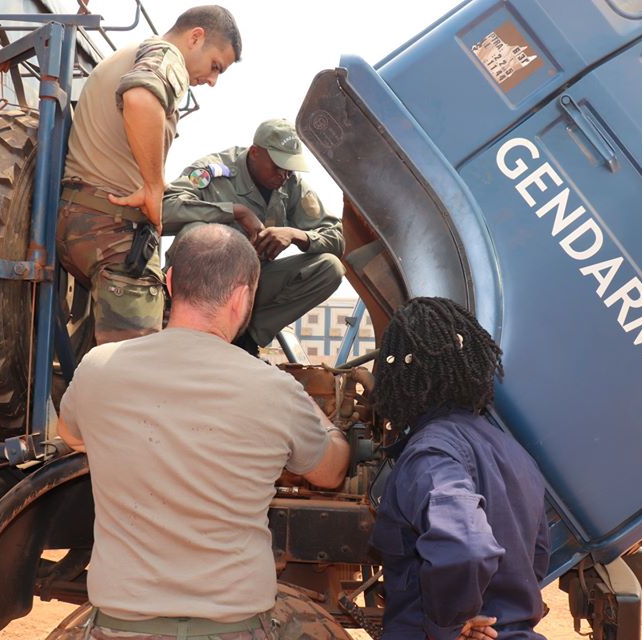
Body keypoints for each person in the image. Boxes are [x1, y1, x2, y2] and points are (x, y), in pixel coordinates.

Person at [57, 224, 351, 639]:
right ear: (243, 296)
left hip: (119, 627)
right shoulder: (274, 389)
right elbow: (330, 472)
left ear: (171, 282)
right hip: (234, 627)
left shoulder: (99, 367)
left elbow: (71, 436)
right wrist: (322, 421)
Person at [58, 6, 242, 344]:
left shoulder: (131, 54)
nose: (213, 81)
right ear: (195, 37)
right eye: (215, 66)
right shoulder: (166, 55)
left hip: (81, 219)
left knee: (99, 365)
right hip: (111, 230)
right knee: (137, 369)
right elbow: (141, 97)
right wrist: (153, 187)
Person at [369, 297, 550, 640]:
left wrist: (449, 627)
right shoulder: (515, 453)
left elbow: (466, 546)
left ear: (400, 375)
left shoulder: (429, 454)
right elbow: (536, 559)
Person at [162, 118, 344, 355]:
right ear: (256, 153)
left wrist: (296, 235)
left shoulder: (291, 185)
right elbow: (164, 210)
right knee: (195, 230)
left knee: (330, 267)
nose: (284, 175)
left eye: (289, 168)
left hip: (248, 286)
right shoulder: (214, 171)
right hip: (195, 287)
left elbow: (337, 237)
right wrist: (234, 212)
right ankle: (179, 318)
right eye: (278, 167)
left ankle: (246, 337)